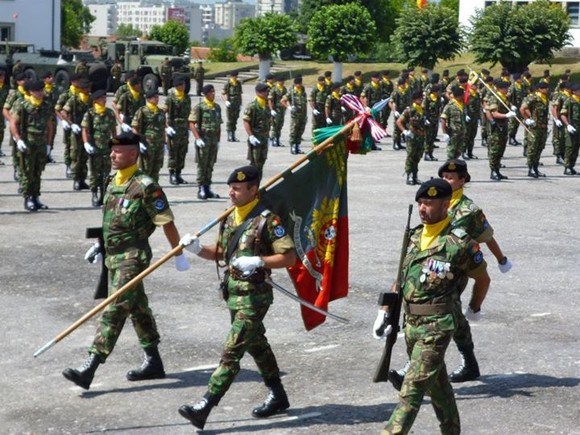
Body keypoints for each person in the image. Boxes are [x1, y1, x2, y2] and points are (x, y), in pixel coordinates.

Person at [62, 131, 190, 391]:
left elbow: (165, 221)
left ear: (133, 153)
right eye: (112, 150)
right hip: (113, 256)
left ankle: (91, 364)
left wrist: (178, 254)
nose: (112, 155)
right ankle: (154, 361)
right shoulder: (112, 180)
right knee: (137, 307)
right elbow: (112, 220)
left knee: (115, 307)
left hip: (133, 257)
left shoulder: (145, 185)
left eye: (118, 151)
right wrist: (100, 244)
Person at [177, 165, 296, 430]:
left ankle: (205, 405)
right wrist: (197, 249)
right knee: (256, 345)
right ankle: (278, 395)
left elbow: (289, 256)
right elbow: (222, 254)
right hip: (233, 294)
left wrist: (259, 260)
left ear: (253, 190)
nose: (231, 193)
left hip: (255, 298)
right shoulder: (230, 218)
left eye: (237, 189)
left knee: (231, 351)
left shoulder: (267, 221)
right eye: (230, 188)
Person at [375, 178, 490, 435]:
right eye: (421, 203)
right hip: (411, 325)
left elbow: (482, 278)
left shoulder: (460, 243)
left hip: (438, 326)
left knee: (412, 389)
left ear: (446, 204)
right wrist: (384, 312)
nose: (423, 208)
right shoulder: (414, 235)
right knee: (439, 387)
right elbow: (402, 276)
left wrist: (474, 307)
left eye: (429, 203)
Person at [388, 160, 511, 390]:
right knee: (451, 316)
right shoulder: (432, 205)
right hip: (432, 265)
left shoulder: (469, 210)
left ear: (463, 179)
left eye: (452, 177)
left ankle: (413, 370)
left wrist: (501, 259)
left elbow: (486, 236)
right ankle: (467, 362)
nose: (448, 180)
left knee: (440, 314)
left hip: (457, 267)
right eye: (444, 176)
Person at [9, 80, 55, 211]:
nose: (40, 93)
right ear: (30, 92)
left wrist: (48, 145)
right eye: (37, 91)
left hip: (40, 144)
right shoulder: (23, 106)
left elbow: (50, 125)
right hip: (27, 143)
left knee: (37, 172)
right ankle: (27, 197)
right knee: (27, 172)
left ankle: (36, 197)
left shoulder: (46, 106)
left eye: (41, 90)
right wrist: (18, 140)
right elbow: (13, 123)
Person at [81, 89, 117, 207]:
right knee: (95, 173)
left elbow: (114, 130)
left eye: (105, 97)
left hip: (107, 148)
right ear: (96, 100)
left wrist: (115, 144)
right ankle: (94, 194)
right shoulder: (90, 114)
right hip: (95, 148)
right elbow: (84, 130)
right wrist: (86, 143)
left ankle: (103, 195)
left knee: (106, 173)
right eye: (102, 98)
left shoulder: (110, 113)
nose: (104, 99)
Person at [189, 84, 222, 200]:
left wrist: (218, 140)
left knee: (210, 165)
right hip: (203, 140)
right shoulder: (200, 107)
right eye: (211, 92)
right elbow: (192, 123)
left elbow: (218, 125)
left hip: (213, 141)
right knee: (202, 165)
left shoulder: (217, 107)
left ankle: (208, 187)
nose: (213, 94)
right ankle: (201, 188)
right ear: (206, 94)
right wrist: (197, 138)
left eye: (214, 91)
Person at [61, 78, 93, 191]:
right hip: (77, 130)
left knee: (84, 157)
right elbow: (64, 112)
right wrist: (71, 124)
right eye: (86, 88)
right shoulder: (74, 100)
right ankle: (76, 180)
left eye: (89, 88)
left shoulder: (91, 100)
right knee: (76, 156)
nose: (88, 90)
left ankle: (82, 180)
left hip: (88, 131)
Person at [484, 80, 518, 180]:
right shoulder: (495, 98)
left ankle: (497, 170)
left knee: (501, 148)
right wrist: (506, 115)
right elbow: (494, 114)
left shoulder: (503, 98)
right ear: (500, 88)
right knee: (495, 149)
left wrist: (511, 107)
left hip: (503, 126)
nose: (507, 89)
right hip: (497, 127)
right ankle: (493, 170)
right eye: (505, 88)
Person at [132, 88, 166, 182]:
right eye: (155, 97)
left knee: (156, 169)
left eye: (157, 97)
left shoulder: (160, 112)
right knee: (146, 170)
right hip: (147, 145)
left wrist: (164, 143)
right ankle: (144, 192)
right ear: (149, 98)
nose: (157, 99)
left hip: (159, 145)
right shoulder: (142, 111)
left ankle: (154, 191)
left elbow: (163, 128)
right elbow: (135, 128)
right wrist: (139, 142)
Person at [164, 76, 191, 185]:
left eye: (184, 84)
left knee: (182, 152)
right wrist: (167, 127)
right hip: (174, 128)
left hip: (184, 129)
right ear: (176, 86)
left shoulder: (186, 97)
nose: (183, 86)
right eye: (181, 84)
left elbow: (189, 113)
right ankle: (172, 174)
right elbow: (163, 112)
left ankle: (178, 174)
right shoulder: (170, 98)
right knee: (173, 152)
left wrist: (189, 128)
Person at [520, 82, 550, 178]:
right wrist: (527, 119)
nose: (547, 89)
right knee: (533, 148)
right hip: (535, 127)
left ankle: (536, 167)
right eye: (544, 88)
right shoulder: (533, 97)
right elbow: (522, 108)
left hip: (543, 127)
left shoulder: (545, 98)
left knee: (540, 148)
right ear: (539, 89)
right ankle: (531, 168)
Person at [396, 90, 426, 185]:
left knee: (417, 157)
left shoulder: (422, 109)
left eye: (421, 98)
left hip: (421, 137)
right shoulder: (409, 110)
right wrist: (405, 131)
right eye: (419, 98)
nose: (421, 100)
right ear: (414, 100)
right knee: (410, 157)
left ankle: (415, 176)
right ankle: (409, 176)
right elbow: (399, 121)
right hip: (412, 137)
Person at [55, 73, 81, 179]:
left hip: (79, 124)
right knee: (69, 145)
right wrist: (63, 121)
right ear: (72, 82)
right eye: (77, 80)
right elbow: (57, 108)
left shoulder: (82, 94)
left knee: (78, 147)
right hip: (68, 123)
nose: (79, 83)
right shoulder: (65, 94)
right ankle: (68, 165)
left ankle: (77, 167)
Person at [243, 83, 272, 177]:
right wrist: (251, 136)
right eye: (265, 91)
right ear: (258, 92)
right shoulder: (252, 106)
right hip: (256, 138)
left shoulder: (266, 105)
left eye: (267, 91)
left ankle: (257, 186)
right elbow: (246, 121)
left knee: (262, 162)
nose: (267, 93)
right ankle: (251, 186)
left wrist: (268, 137)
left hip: (264, 138)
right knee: (254, 163)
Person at [440, 86, 467, 160]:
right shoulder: (450, 106)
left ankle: (454, 167)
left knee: (458, 152)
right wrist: (444, 133)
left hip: (461, 132)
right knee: (451, 152)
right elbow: (443, 119)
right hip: (453, 132)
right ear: (459, 96)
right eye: (463, 95)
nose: (464, 96)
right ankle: (449, 168)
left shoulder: (462, 104)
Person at [560, 82, 580, 175]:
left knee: (576, 148)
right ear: (574, 91)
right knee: (570, 148)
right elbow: (563, 114)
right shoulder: (569, 101)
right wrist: (568, 125)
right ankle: (567, 167)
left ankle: (571, 166)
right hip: (572, 127)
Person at [288, 76, 308, 155]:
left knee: (300, 131)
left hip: (303, 115)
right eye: (298, 84)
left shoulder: (303, 92)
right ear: (295, 84)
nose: (300, 85)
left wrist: (306, 115)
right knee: (294, 131)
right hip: (295, 116)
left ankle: (297, 146)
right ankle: (292, 146)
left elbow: (305, 104)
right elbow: (283, 100)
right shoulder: (292, 92)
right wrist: (289, 107)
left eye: (300, 83)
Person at [423, 83, 441, 162]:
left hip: (435, 120)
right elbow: (424, 109)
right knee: (428, 138)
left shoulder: (438, 98)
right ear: (433, 91)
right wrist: (425, 119)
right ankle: (426, 154)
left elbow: (439, 108)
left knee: (433, 138)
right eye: (437, 91)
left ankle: (431, 153)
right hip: (429, 120)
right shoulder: (428, 98)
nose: (438, 92)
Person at [222, 71, 243, 142]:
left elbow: (240, 94)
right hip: (230, 103)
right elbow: (223, 94)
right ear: (231, 76)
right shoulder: (228, 83)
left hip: (237, 104)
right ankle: (229, 135)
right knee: (230, 120)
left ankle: (233, 135)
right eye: (234, 76)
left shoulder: (238, 83)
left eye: (236, 76)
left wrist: (241, 104)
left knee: (235, 119)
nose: (236, 77)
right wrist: (226, 101)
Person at [268, 75, 288, 147]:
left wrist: (286, 108)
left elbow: (286, 99)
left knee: (280, 125)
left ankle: (278, 140)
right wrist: (271, 110)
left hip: (282, 110)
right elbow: (270, 100)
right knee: (275, 125)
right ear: (278, 81)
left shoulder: (284, 89)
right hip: (276, 109)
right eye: (281, 81)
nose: (282, 82)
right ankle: (272, 140)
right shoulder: (274, 89)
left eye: (283, 81)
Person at [0, 66, 10, 163]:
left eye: (3, 76)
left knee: (1, 132)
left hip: (2, 113)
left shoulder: (6, 88)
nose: (2, 78)